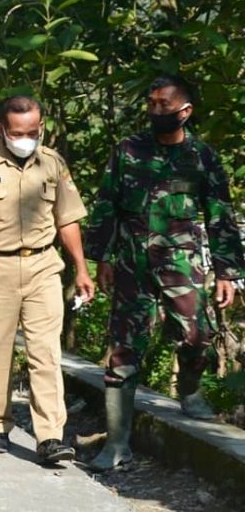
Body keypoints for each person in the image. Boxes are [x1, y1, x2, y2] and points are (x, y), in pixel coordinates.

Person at [84, 75, 244, 472]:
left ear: (185, 112)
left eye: (164, 105)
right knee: (123, 348)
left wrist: (227, 272)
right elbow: (107, 202)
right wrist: (100, 257)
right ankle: (117, 443)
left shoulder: (203, 157)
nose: (156, 111)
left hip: (182, 262)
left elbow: (220, 216)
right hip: (131, 262)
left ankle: (189, 392)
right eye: (151, 103)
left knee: (198, 333)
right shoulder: (128, 150)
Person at [0, 95, 94, 466]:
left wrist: (81, 268)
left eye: (31, 132)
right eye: (17, 133)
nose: (25, 138)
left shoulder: (53, 164)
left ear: (40, 128)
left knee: (45, 352)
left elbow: (68, 220)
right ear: (2, 130)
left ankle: (50, 436)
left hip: (43, 265)